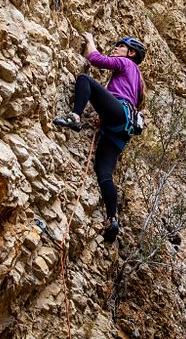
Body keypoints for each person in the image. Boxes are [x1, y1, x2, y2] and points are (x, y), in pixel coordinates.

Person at [53, 33, 146, 243]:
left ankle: (74, 117)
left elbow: (96, 60)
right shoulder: (137, 81)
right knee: (104, 173)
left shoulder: (126, 63)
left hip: (119, 113)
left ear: (131, 53)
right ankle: (112, 219)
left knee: (84, 79)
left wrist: (90, 41)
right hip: (122, 129)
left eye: (120, 46)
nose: (116, 48)